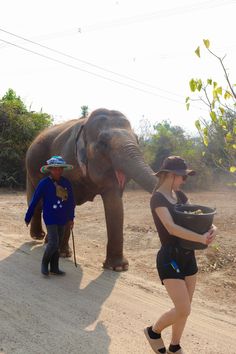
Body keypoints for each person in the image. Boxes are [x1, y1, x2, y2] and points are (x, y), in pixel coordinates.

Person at [144, 156, 217, 354]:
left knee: (185, 309)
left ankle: (174, 347)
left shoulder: (181, 196)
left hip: (188, 256)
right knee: (183, 309)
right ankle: (153, 331)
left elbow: (198, 218)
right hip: (169, 258)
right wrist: (201, 239)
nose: (184, 181)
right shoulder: (157, 198)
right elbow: (171, 227)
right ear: (170, 175)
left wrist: (212, 228)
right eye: (182, 177)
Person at [25, 156, 75, 277]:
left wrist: (71, 218)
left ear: (62, 170)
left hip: (62, 217)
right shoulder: (44, 184)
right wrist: (28, 216)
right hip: (50, 217)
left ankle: (54, 267)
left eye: (60, 169)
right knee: (53, 242)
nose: (57, 171)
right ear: (50, 169)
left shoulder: (66, 183)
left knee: (58, 243)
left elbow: (70, 202)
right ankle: (44, 264)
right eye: (55, 169)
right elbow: (35, 200)